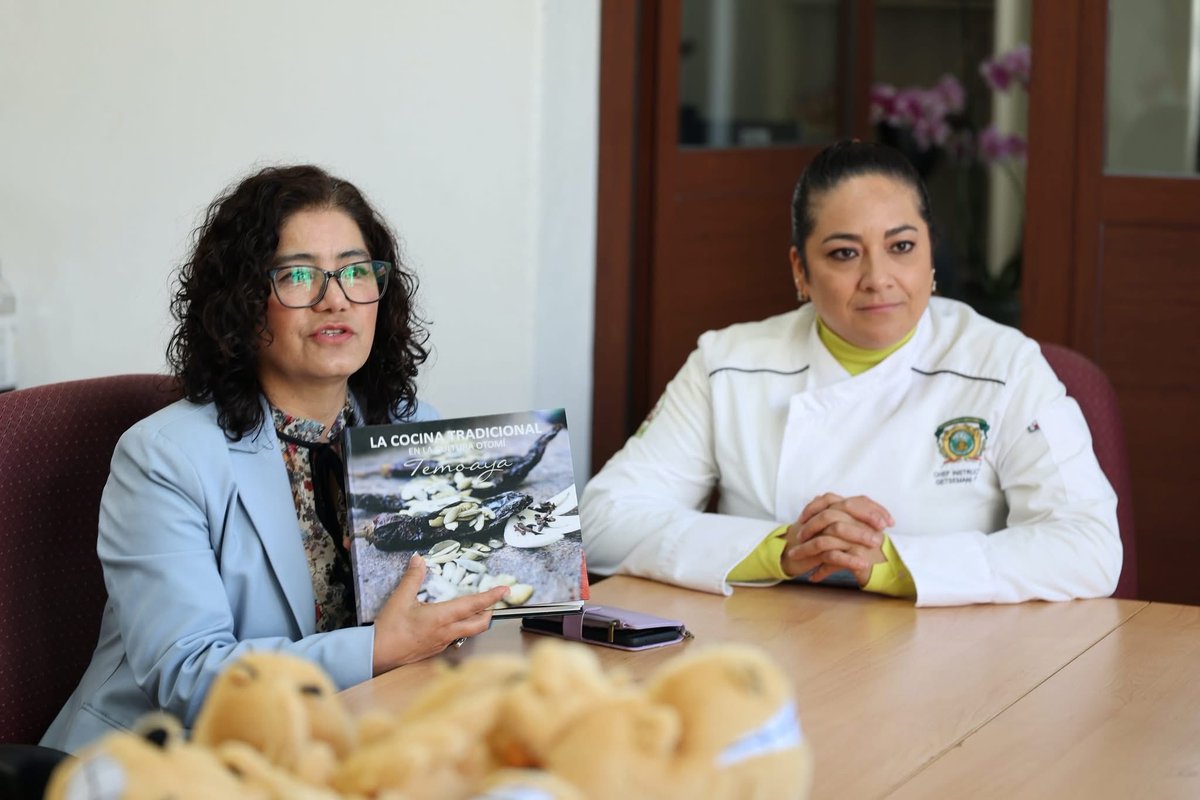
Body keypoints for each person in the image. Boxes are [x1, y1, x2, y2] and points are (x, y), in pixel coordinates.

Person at [42, 165, 509, 752]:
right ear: (244, 303)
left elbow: (449, 605)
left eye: (355, 271)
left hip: (349, 736)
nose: (335, 299)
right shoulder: (165, 458)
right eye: (298, 275)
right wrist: (378, 648)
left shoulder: (411, 428)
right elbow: (188, 676)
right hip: (174, 758)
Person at [580, 140, 1121, 607]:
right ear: (801, 270)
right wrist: (778, 550)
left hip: (953, 655)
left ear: (931, 255)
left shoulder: (1004, 365)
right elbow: (603, 520)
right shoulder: (726, 364)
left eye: (901, 247)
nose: (878, 278)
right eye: (844, 254)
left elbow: (1089, 547)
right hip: (770, 647)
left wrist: (893, 563)